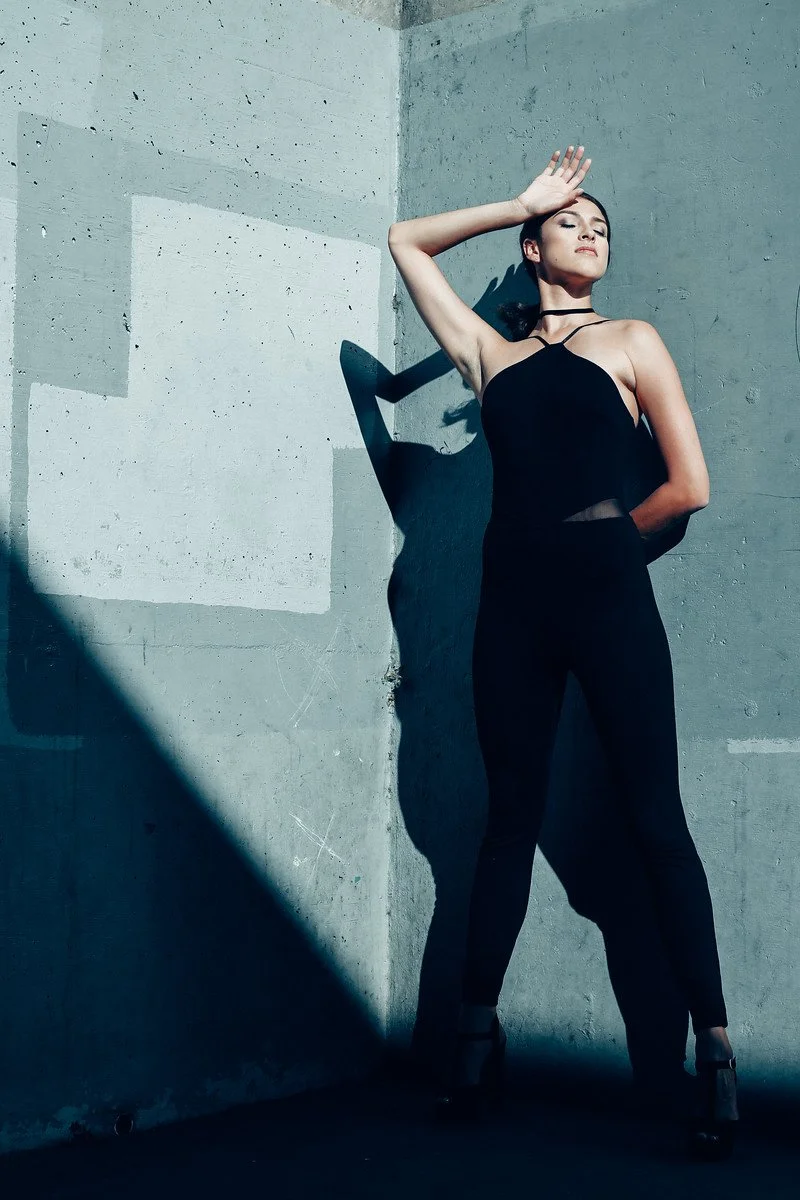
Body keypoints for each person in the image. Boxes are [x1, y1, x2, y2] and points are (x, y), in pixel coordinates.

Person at [387, 146, 738, 1159]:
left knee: (650, 819)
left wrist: (596, 551)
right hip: (512, 612)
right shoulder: (487, 358)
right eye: (570, 223)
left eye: (600, 229)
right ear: (533, 244)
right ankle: (470, 1041)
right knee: (504, 826)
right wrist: (515, 202)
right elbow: (404, 244)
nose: (590, 234)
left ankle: (711, 1051)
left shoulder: (632, 340)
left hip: (605, 599)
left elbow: (687, 486)